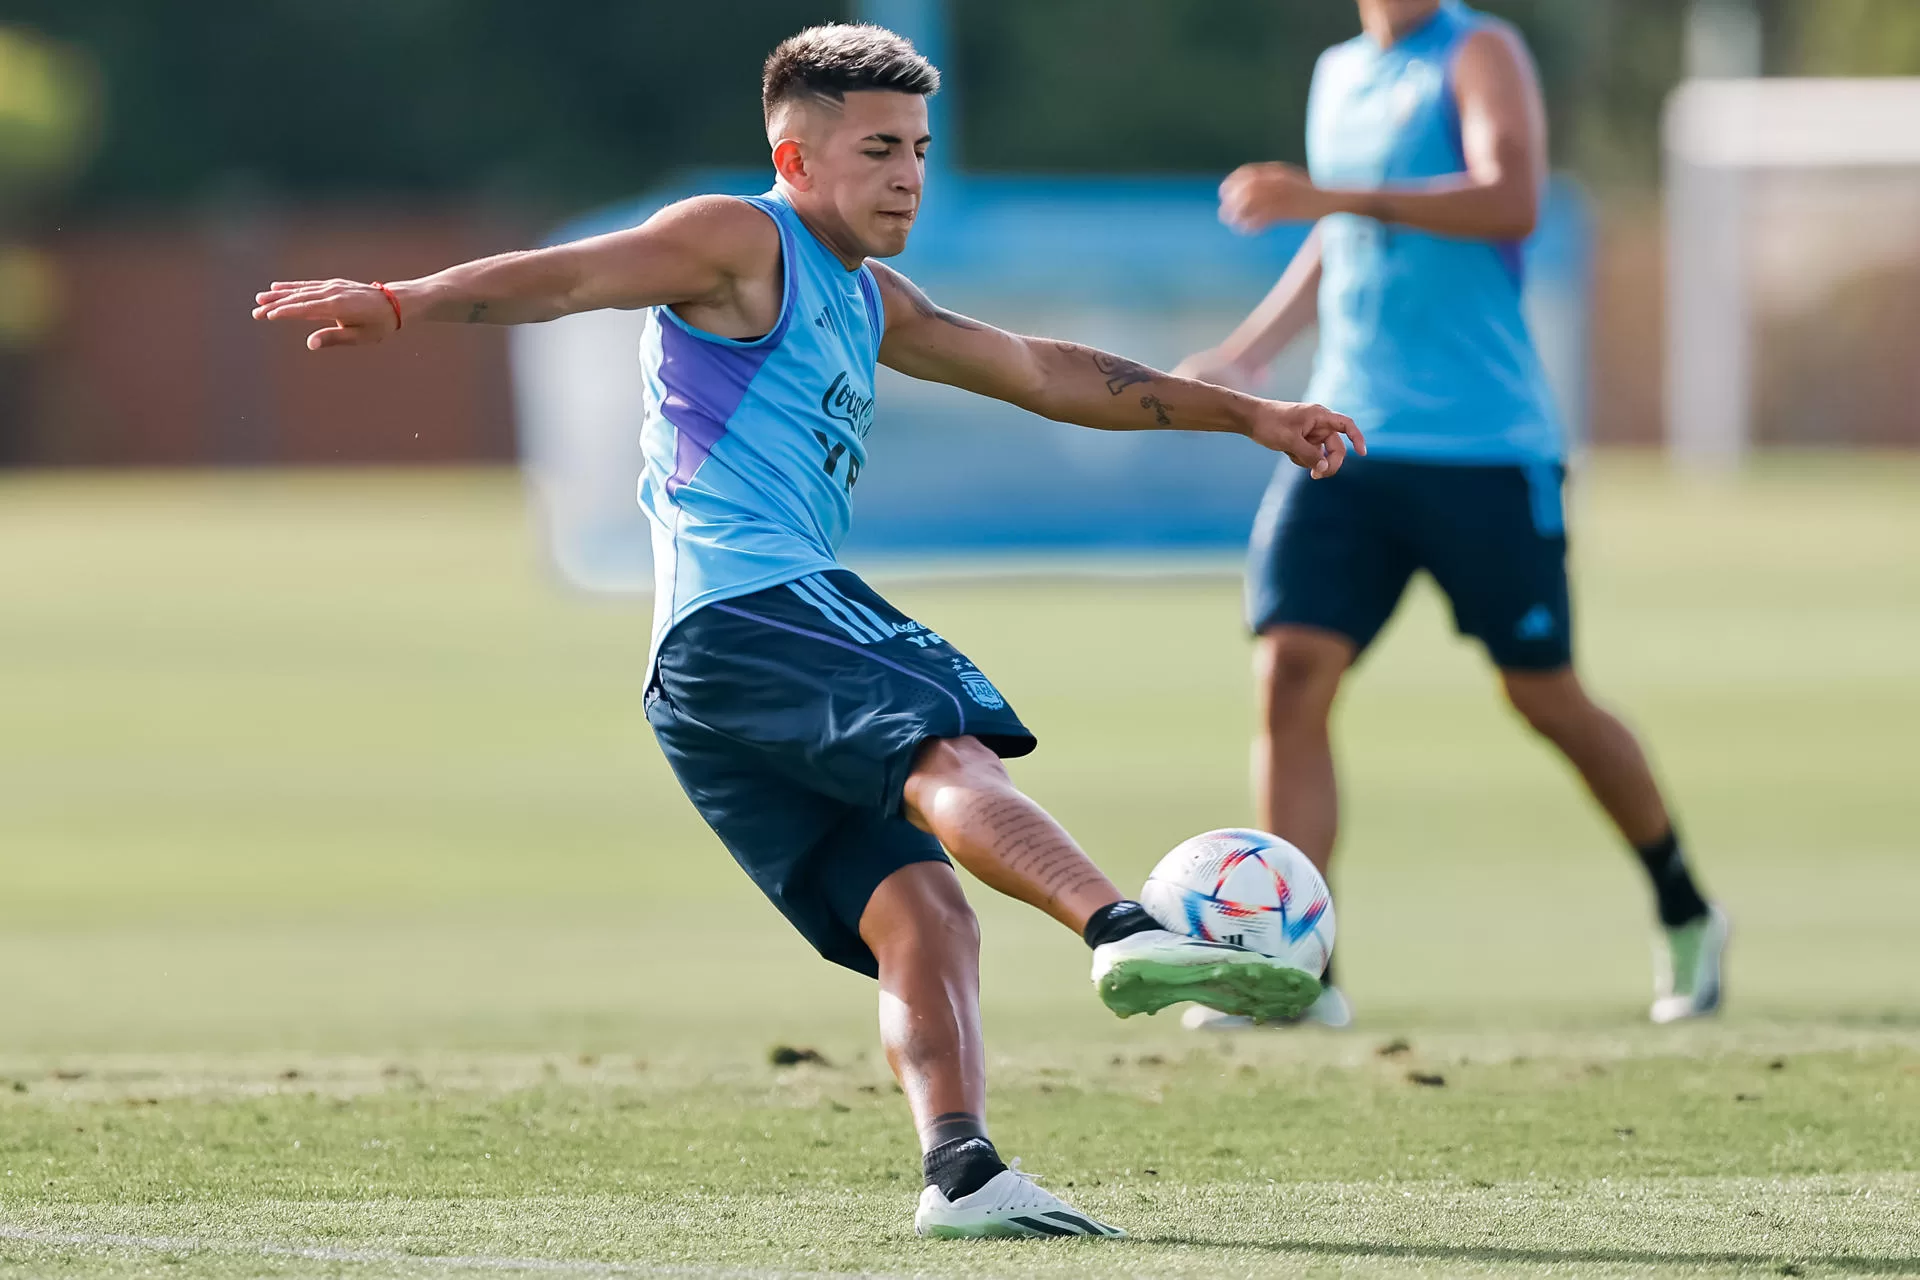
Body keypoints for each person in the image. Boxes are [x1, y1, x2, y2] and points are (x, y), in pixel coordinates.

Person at [254, 24, 1363, 1240]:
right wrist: (404, 300)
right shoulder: (742, 238)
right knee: (947, 748)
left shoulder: (871, 297)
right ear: (794, 157)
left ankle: (963, 1172)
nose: (909, 176)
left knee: (922, 912)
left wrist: (1247, 412)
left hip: (702, 677)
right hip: (756, 603)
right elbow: (573, 276)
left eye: (920, 150)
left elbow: (1045, 372)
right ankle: (1124, 927)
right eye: (879, 149)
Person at [1177, 0, 1726, 1031]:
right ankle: (1297, 969)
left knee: (1545, 696)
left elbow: (1510, 198)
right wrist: (1251, 352)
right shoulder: (1340, 71)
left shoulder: (1479, 51)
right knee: (1291, 671)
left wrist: (1330, 193)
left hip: (1483, 444)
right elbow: (1341, 236)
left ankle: (1685, 903)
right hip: (1346, 429)